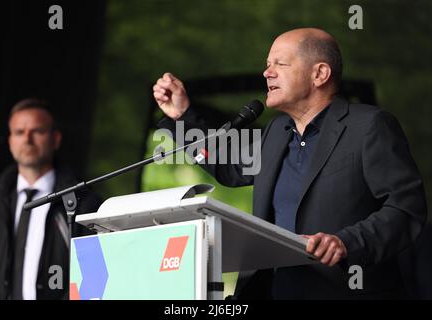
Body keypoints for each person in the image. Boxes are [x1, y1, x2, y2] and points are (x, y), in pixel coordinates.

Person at [153, 28, 428, 299]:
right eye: (267, 65)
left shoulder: (368, 126)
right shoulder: (276, 131)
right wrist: (182, 116)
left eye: (280, 64)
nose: (267, 72)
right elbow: (228, 164)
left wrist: (347, 242)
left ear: (319, 74)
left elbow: (406, 207)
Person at [0, 98, 102, 300]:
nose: (27, 139)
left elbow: (94, 277)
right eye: (19, 132)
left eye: (37, 131)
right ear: (10, 141)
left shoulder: (84, 204)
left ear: (55, 139)